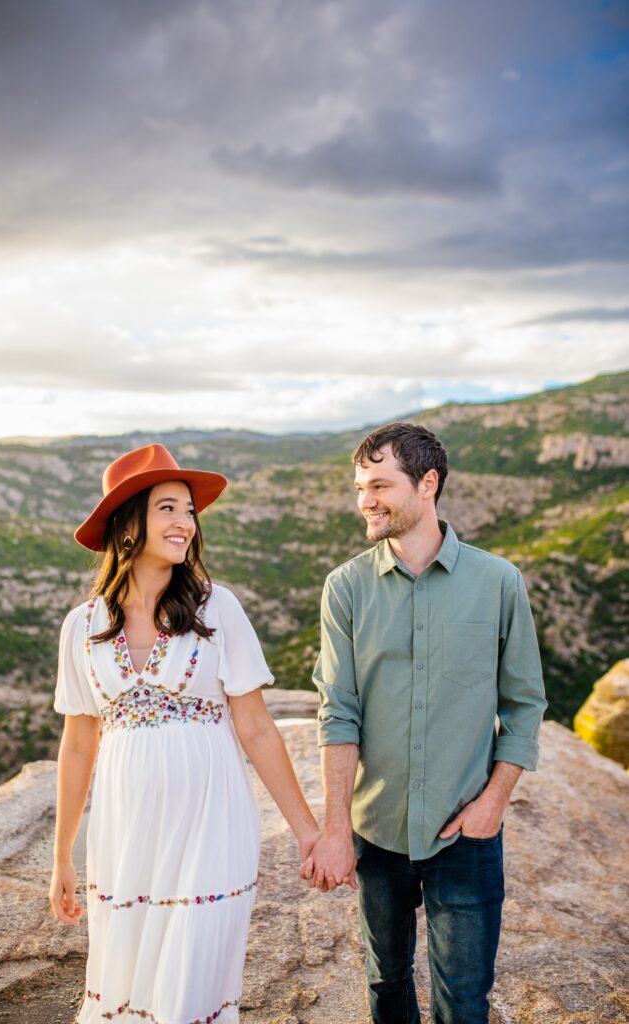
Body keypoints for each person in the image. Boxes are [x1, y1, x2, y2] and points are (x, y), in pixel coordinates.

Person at [49, 443, 320, 1024]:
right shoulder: (83, 626)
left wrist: (308, 833)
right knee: (128, 984)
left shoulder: (216, 608)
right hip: (125, 836)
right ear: (128, 523)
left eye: (190, 512)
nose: (185, 523)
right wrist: (62, 857)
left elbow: (256, 728)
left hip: (212, 826)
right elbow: (77, 745)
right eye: (168, 508)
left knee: (190, 989)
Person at [301, 422, 547, 1024]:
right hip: (376, 834)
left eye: (380, 485)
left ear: (428, 484)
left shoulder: (498, 582)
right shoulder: (346, 588)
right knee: (386, 987)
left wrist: (493, 802)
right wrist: (335, 829)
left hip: (465, 835)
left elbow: (524, 704)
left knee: (463, 1002)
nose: (366, 500)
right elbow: (339, 712)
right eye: (361, 486)